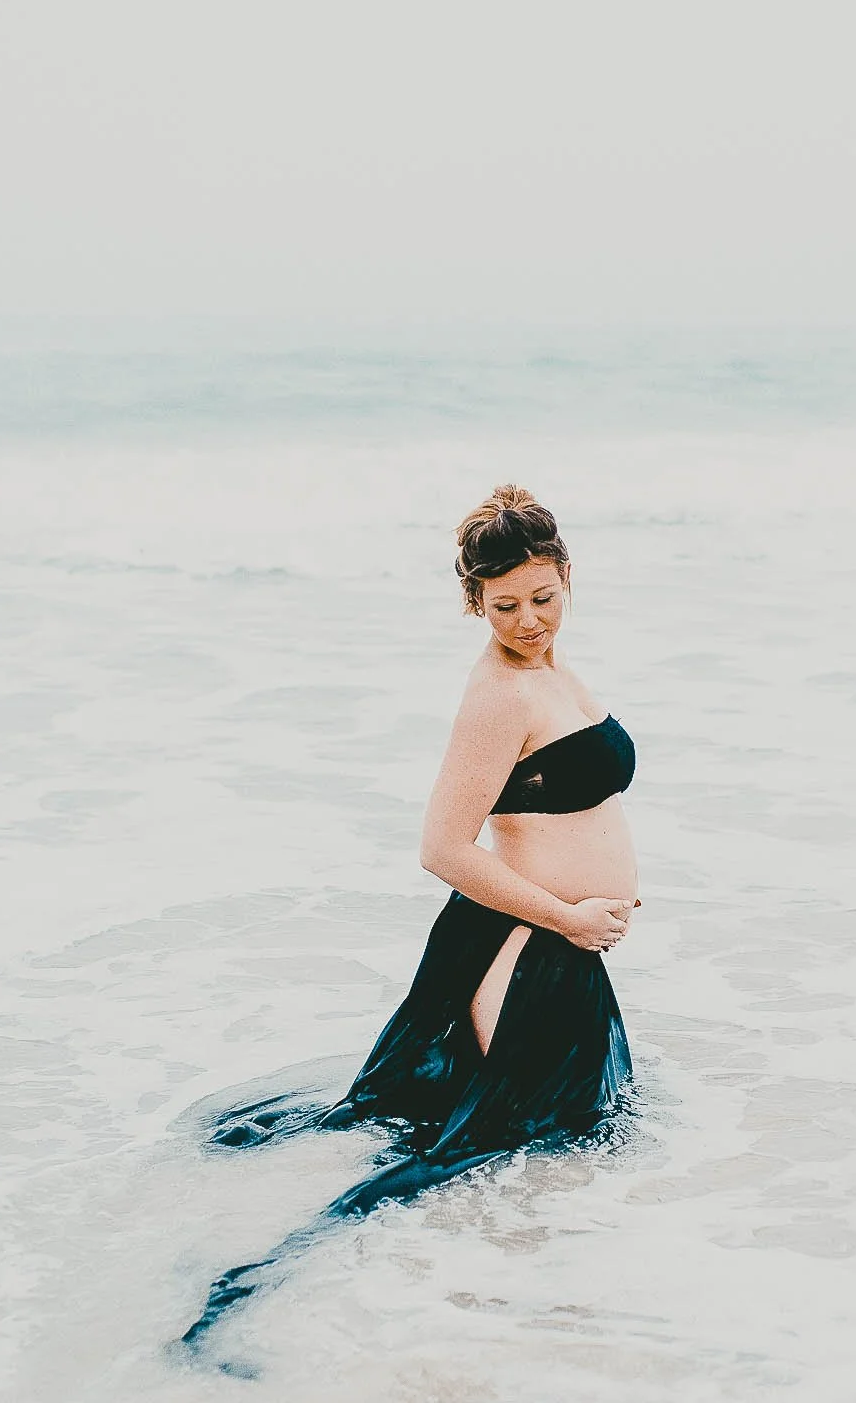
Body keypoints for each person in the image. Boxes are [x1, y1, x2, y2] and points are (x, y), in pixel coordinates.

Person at [178, 483, 641, 1354]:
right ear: (474, 604)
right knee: (502, 1155)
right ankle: (255, 1304)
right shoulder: (499, 695)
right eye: (504, 607)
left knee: (547, 1154)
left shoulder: (553, 669)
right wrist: (568, 918)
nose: (529, 620)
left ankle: (535, 1314)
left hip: (558, 939)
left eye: (543, 598)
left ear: (568, 577)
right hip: (529, 943)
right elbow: (443, 848)